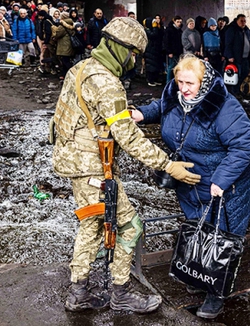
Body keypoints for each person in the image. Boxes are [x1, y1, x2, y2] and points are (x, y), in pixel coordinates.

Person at [51, 17, 200, 314]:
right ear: (121, 49)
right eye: (133, 54)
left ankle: (79, 291)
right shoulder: (107, 82)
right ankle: (121, 292)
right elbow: (128, 138)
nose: (134, 61)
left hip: (75, 163)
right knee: (131, 226)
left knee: (91, 226)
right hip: (92, 168)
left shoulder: (81, 68)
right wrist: (168, 165)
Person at [133, 55, 250, 319]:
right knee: (197, 226)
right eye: (180, 82)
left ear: (205, 81)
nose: (184, 88)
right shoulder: (175, 95)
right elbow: (162, 107)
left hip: (225, 184)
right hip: (190, 180)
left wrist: (221, 180)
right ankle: (198, 273)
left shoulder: (224, 107)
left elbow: (244, 146)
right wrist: (142, 113)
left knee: (221, 234)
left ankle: (216, 293)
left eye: (190, 83)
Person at [223, 14, 250, 95]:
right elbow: (228, 43)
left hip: (245, 57)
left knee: (245, 73)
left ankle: (238, 89)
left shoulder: (246, 30)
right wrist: (229, 55)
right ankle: (233, 92)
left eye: (244, 21)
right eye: (241, 21)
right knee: (235, 75)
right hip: (236, 57)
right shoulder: (232, 30)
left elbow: (249, 41)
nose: (243, 23)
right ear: (237, 21)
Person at [52, 11, 76, 79]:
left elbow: (58, 34)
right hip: (69, 44)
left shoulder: (62, 25)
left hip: (64, 45)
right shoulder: (71, 23)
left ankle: (72, 73)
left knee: (65, 61)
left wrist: (54, 31)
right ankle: (65, 74)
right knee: (66, 60)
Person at [143, 16, 164, 86]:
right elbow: (153, 35)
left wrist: (159, 27)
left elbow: (160, 34)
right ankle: (150, 80)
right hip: (150, 50)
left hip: (156, 49)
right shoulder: (147, 30)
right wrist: (155, 28)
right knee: (150, 66)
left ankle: (155, 79)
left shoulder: (155, 29)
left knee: (156, 66)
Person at [163, 16, 184, 82]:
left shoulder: (179, 30)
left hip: (178, 51)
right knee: (171, 67)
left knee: (176, 67)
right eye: (178, 22)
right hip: (172, 51)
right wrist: (169, 52)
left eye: (180, 22)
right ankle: (168, 81)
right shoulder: (169, 30)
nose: (179, 23)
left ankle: (174, 81)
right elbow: (166, 41)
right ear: (174, 21)